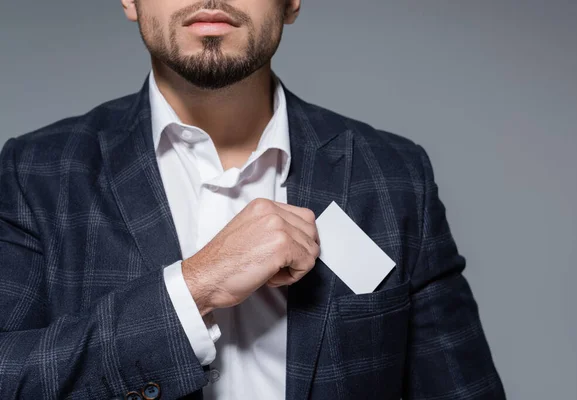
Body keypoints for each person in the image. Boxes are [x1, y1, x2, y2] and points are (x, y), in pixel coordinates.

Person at [0, 0, 505, 399]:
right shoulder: (36, 172)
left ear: (292, 1)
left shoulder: (394, 175)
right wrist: (194, 287)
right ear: (130, 0)